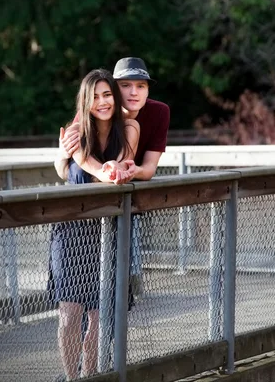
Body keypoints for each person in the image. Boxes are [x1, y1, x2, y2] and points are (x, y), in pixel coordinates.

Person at [55, 56, 170, 297]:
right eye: (125, 85)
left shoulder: (156, 114)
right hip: (80, 206)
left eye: (141, 86)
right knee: (72, 296)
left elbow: (148, 168)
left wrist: (131, 170)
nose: (133, 92)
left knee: (110, 288)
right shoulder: (95, 107)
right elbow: (64, 166)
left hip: (118, 198)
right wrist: (65, 154)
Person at [51, 68, 140, 381]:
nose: (102, 102)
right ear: (84, 102)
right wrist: (107, 170)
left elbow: (126, 158)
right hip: (72, 232)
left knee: (101, 317)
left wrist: (118, 168)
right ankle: (71, 379)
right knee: (69, 315)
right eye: (95, 97)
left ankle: (92, 376)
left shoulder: (130, 126)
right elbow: (80, 165)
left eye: (107, 95)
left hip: (110, 232)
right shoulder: (77, 131)